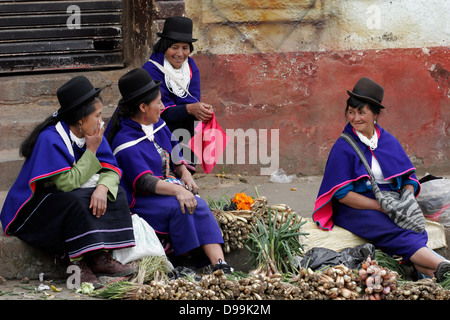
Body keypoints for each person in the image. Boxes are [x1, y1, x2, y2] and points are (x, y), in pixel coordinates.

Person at [0, 76, 136, 288]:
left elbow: (111, 169)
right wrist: (91, 151)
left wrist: (101, 188)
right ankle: (77, 263)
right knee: (76, 200)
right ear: (81, 119)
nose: (102, 122)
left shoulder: (92, 133)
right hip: (36, 208)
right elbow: (66, 183)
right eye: (97, 116)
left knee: (115, 193)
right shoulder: (51, 138)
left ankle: (99, 256)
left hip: (68, 198)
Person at [312, 77, 450, 281]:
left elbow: (409, 179)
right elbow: (342, 195)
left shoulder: (387, 141)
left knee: (415, 227)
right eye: (351, 111)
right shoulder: (343, 146)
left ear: (375, 114)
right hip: (356, 209)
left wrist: (407, 198)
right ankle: (441, 266)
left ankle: (433, 272)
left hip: (391, 202)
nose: (355, 117)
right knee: (395, 229)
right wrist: (380, 206)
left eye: (361, 112)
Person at [106, 68, 232, 272]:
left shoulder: (158, 124)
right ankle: (186, 262)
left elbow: (175, 153)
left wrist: (184, 173)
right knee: (180, 207)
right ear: (143, 107)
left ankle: (221, 264)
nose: (163, 107)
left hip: (168, 189)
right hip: (145, 199)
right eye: (158, 103)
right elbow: (143, 182)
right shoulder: (124, 142)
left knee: (198, 203)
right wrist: (179, 191)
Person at [142, 16, 213, 173]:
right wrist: (188, 108)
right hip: (154, 124)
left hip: (180, 124)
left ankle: (186, 168)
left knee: (196, 118)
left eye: (185, 48)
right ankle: (169, 168)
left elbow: (193, 99)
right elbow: (158, 111)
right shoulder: (151, 70)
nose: (180, 54)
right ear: (165, 47)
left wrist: (200, 109)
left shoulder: (190, 67)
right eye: (175, 47)